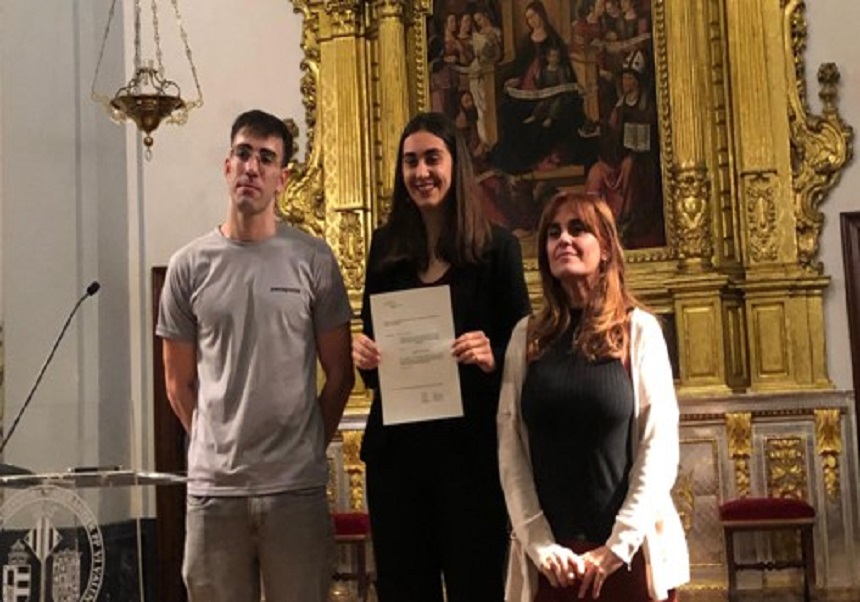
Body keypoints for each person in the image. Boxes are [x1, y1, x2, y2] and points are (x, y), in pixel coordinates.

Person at [156, 109, 354, 602]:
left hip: (295, 492)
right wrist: (214, 442)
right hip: (215, 493)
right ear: (227, 166)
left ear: (283, 179)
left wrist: (307, 444)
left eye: (266, 158)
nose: (252, 167)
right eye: (243, 153)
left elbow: (341, 374)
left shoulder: (314, 260)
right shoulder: (188, 266)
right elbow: (178, 384)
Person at [352, 111, 531, 602]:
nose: (421, 172)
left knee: (478, 587)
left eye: (433, 158)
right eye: (410, 162)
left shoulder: (498, 249)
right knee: (404, 591)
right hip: (398, 460)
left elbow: (523, 351)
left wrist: (492, 355)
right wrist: (365, 356)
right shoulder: (386, 248)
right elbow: (374, 364)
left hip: (470, 459)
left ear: (456, 165)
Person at [497, 192, 689, 601]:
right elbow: (510, 446)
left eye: (577, 229)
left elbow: (659, 447)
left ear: (605, 249)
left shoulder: (639, 331)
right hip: (552, 567)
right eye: (553, 233)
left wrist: (618, 546)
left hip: (629, 557)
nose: (563, 239)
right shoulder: (526, 337)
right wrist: (540, 546)